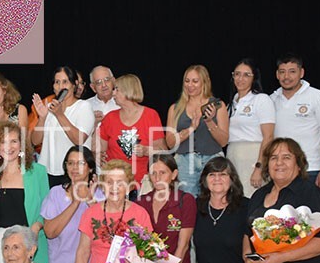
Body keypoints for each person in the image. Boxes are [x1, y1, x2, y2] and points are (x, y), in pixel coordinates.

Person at [0, 121, 49, 263]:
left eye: (13, 141)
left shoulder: (38, 172)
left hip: (27, 246)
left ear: (21, 144)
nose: (9, 147)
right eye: (3, 142)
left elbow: (47, 208)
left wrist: (35, 229)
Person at [270, 53, 320, 190]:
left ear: (301, 72)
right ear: (277, 74)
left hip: (310, 170)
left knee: (307, 212)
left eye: (292, 72)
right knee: (282, 211)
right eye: (282, 72)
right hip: (280, 170)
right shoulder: (271, 99)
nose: (286, 77)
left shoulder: (316, 96)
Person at [97, 74, 166, 197]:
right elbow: (99, 150)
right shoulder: (110, 118)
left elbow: (162, 152)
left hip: (141, 184)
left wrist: (145, 150)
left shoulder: (150, 115)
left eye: (116, 89)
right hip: (114, 184)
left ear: (128, 91)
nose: (113, 94)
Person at [165, 65, 230, 197]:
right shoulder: (175, 108)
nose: (190, 85)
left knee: (216, 199)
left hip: (212, 159)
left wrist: (209, 121)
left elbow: (223, 142)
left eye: (195, 81)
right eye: (187, 81)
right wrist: (190, 129)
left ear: (204, 82)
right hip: (184, 162)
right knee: (186, 201)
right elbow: (170, 143)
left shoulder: (218, 105)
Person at [31, 66, 95, 188]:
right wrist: (43, 117)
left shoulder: (83, 107)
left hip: (73, 173)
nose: (61, 86)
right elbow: (35, 141)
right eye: (57, 82)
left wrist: (59, 114)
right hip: (47, 172)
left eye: (65, 82)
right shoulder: (50, 107)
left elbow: (79, 140)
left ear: (74, 84)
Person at [227, 58, 275, 197]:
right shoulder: (232, 102)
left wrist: (259, 167)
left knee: (252, 199)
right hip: (233, 156)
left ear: (254, 78)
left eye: (246, 75)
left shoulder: (261, 99)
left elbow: (268, 136)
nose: (240, 78)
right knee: (236, 199)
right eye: (237, 74)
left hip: (252, 157)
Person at [85, 65, 120, 150]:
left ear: (114, 81)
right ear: (93, 87)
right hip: (92, 156)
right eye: (99, 82)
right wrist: (93, 123)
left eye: (107, 80)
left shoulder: (123, 103)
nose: (104, 85)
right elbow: (79, 136)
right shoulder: (85, 106)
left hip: (119, 156)